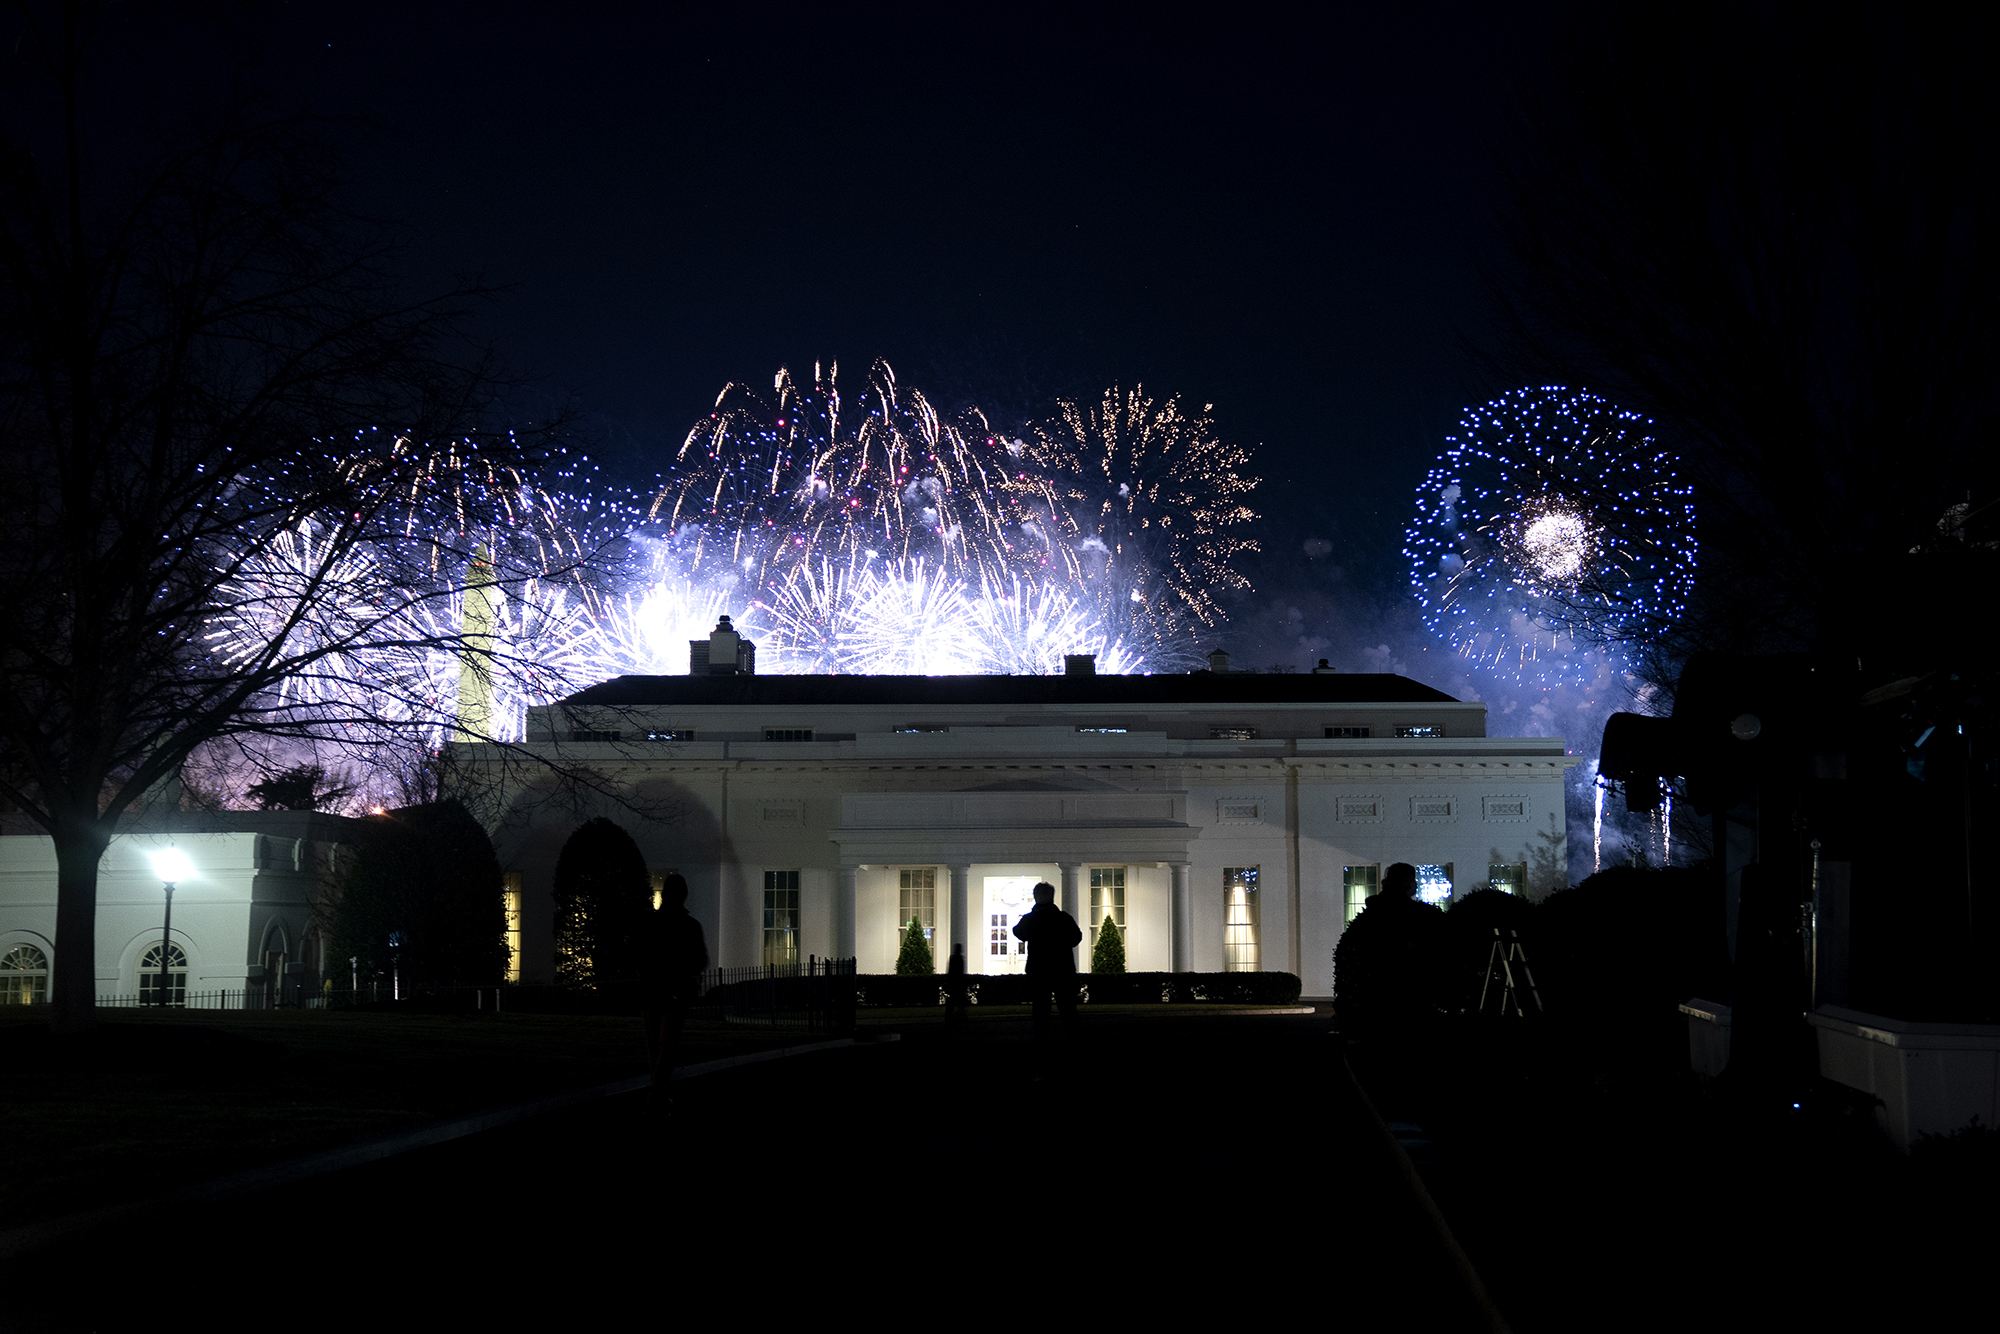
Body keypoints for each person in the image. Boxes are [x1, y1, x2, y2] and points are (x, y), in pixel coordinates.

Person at [641, 873, 709, 1100]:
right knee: (667, 1047)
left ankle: (658, 1093)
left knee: (655, 1047)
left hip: (652, 992)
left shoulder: (650, 924)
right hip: (675, 993)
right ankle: (658, 1094)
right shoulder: (690, 926)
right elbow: (700, 960)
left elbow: (639, 957)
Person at [1012, 880, 1082, 1031]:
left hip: (1039, 971)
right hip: (1063, 970)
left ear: (1036, 897)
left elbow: (1018, 932)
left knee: (1041, 1011)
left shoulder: (1030, 919)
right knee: (1068, 1011)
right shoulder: (1064, 918)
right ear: (1052, 897)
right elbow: (1076, 938)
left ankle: (1041, 1044)